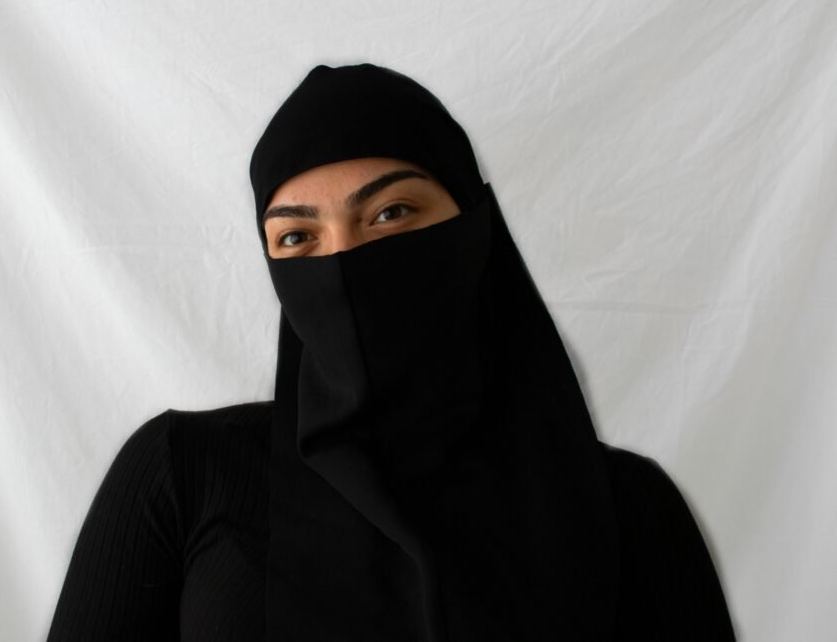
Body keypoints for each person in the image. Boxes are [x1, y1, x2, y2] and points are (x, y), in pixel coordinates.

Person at [47, 63, 736, 641]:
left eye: (390, 214)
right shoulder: (184, 475)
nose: (344, 263)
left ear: (475, 227)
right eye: (297, 238)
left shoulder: (628, 508)